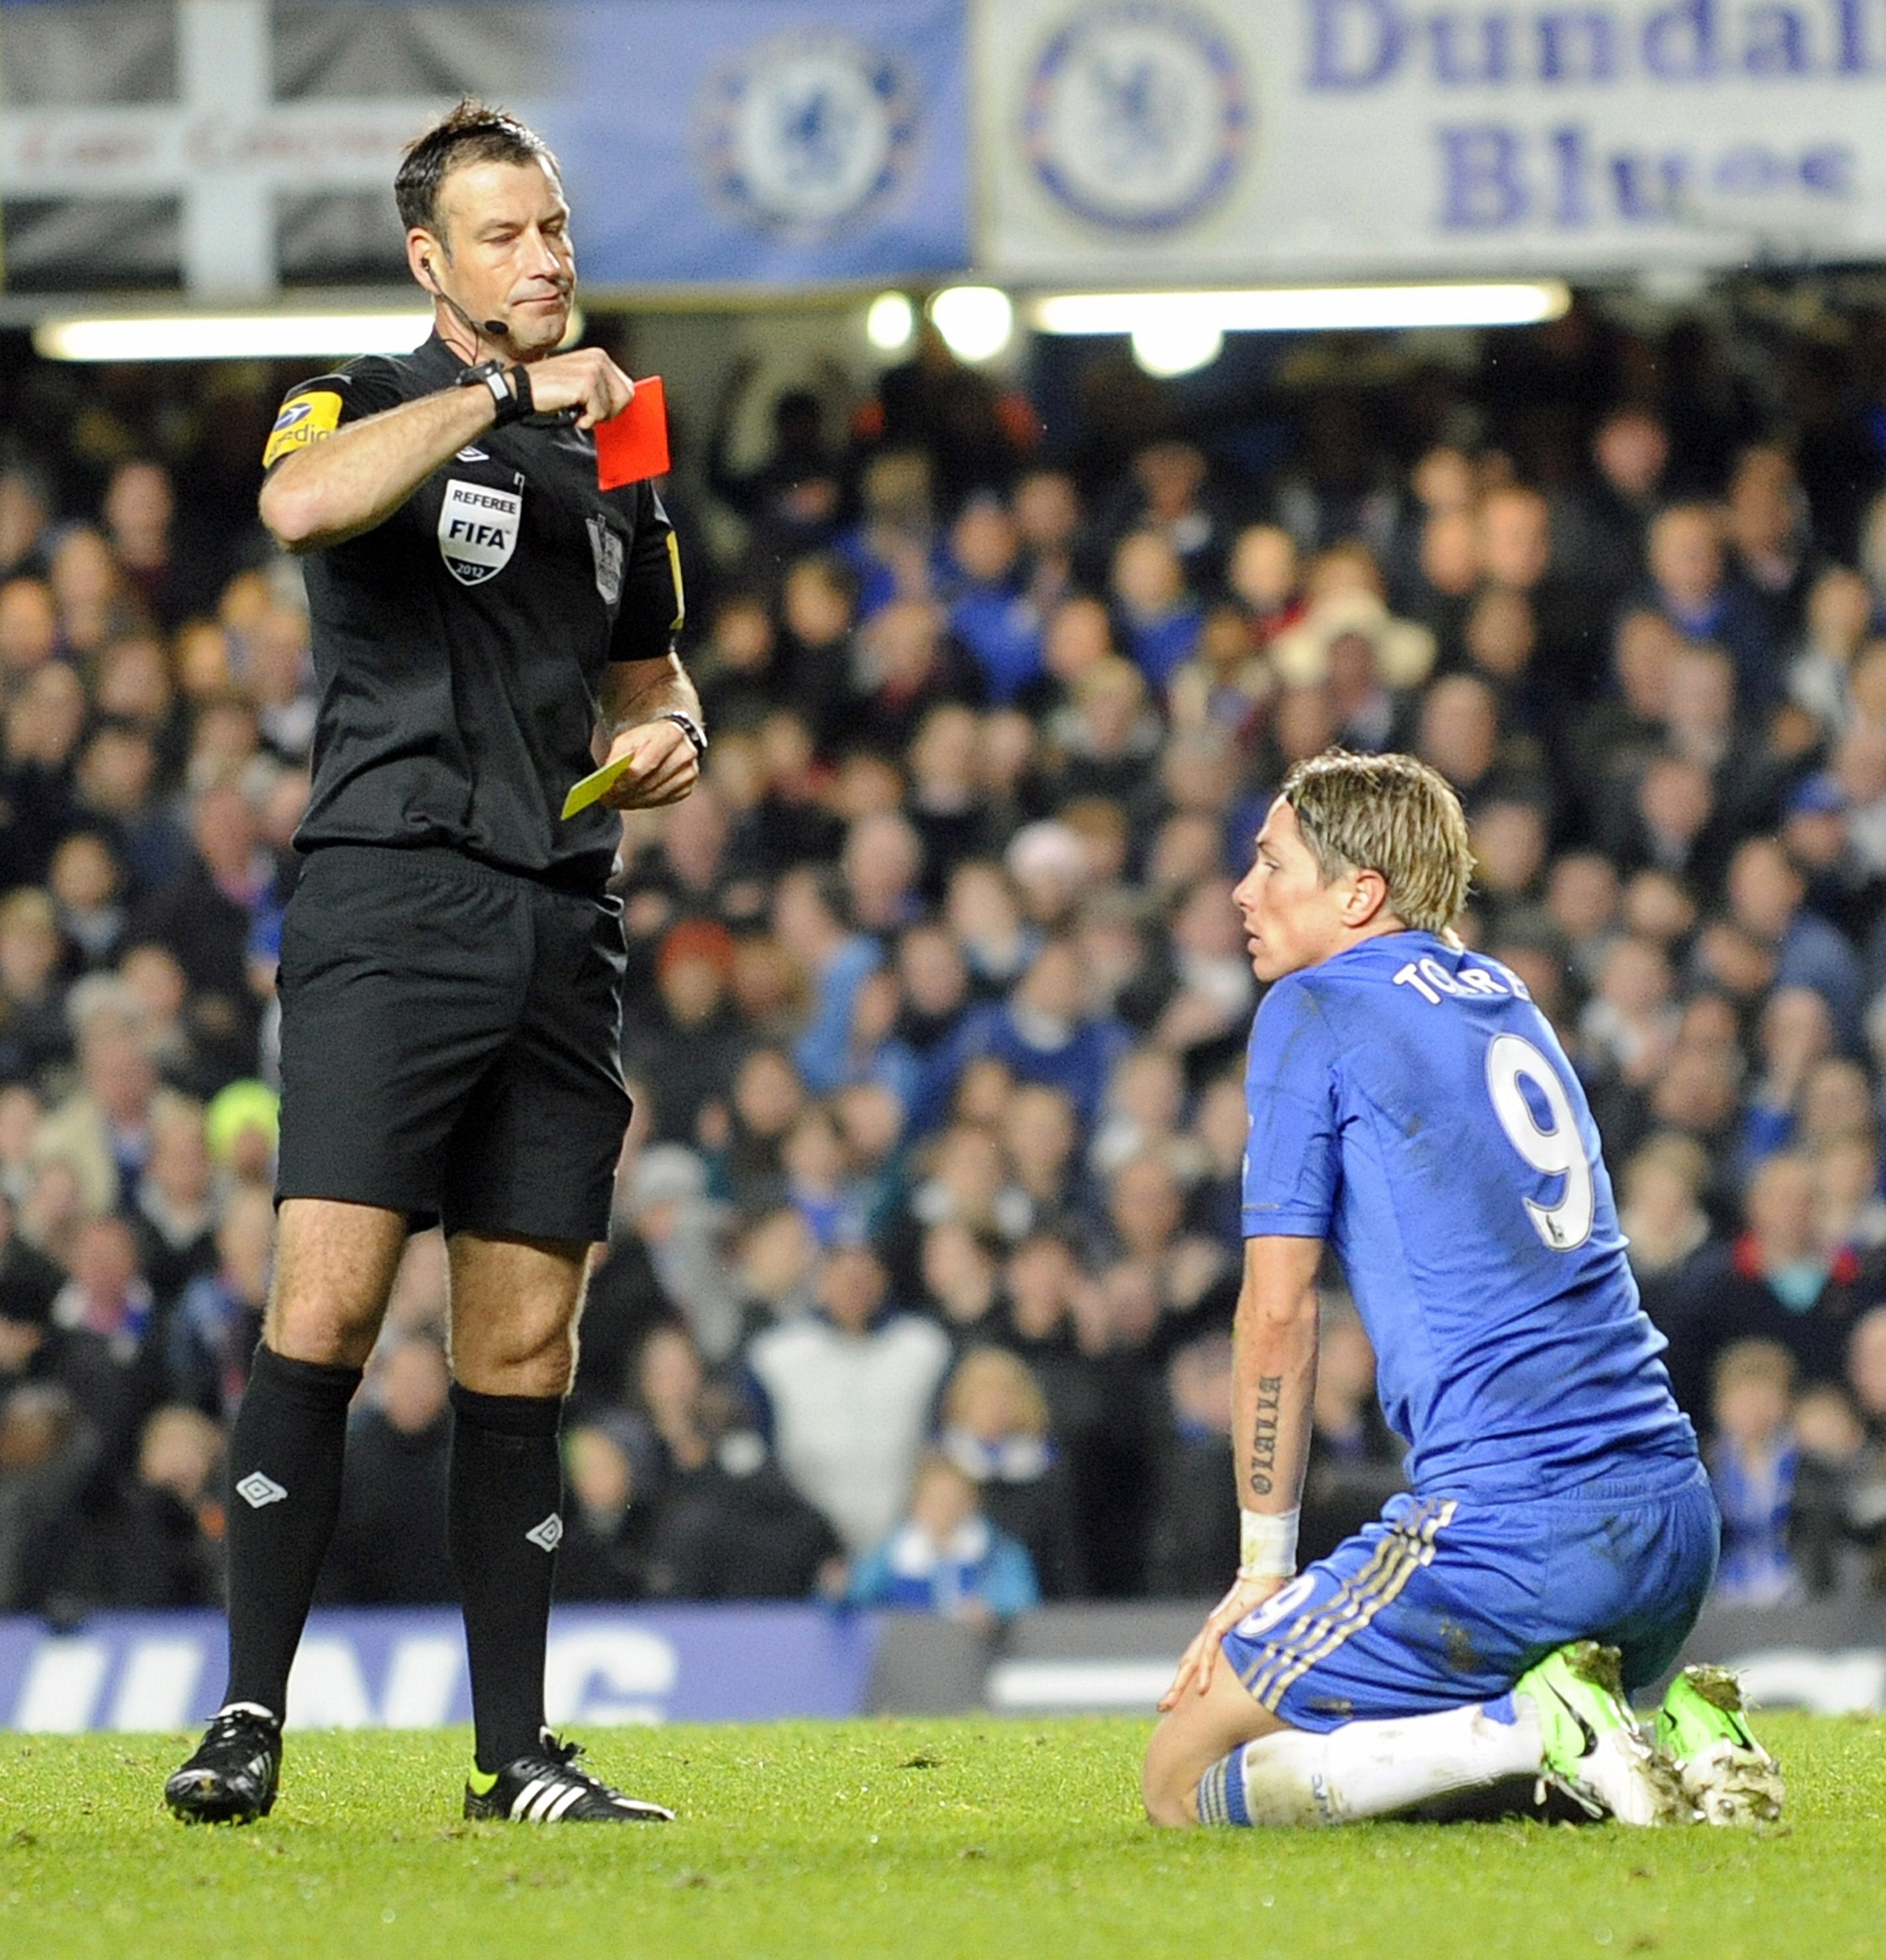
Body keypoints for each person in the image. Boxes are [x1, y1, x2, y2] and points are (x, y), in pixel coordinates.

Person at [164, 100, 692, 1829]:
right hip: (391, 904)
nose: (543, 256)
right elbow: (301, 502)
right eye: (504, 234)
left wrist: (674, 733)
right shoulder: (365, 392)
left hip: (564, 916)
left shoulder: (627, 440)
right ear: (431, 264)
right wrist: (494, 397)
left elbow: (648, 671)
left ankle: (513, 1758)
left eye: (550, 226)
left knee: (525, 1344)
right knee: (323, 1303)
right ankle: (245, 1718)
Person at [1141, 749, 1782, 1833]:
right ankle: (1671, 1728)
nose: (1241, 893)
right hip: (1672, 1519)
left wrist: (1262, 1571)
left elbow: (1278, 1312)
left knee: (1179, 1778)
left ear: (1357, 894)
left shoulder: (1312, 1006)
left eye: (1268, 865)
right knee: (1424, 1754)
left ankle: (1526, 1730)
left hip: (1513, 1527)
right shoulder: (1502, 994)